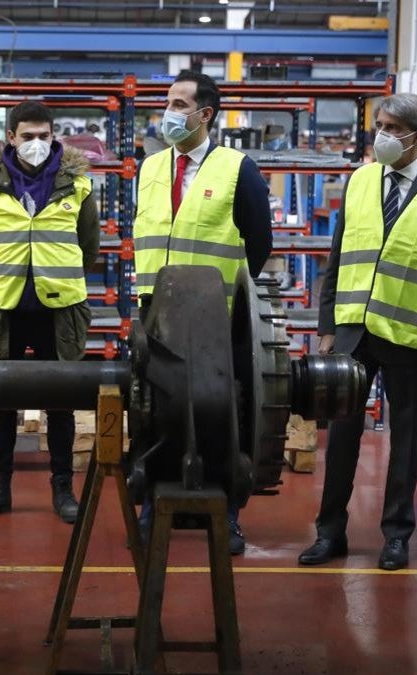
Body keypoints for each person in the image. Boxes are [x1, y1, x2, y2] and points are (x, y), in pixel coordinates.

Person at [301, 93, 417, 571]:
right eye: (379, 124)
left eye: (392, 127)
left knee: (406, 442)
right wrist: (327, 327)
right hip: (354, 333)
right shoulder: (359, 182)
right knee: (341, 438)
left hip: (411, 339)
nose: (381, 135)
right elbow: (338, 260)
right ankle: (328, 532)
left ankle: (397, 536)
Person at [132, 70, 273, 555]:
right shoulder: (149, 168)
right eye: (167, 102)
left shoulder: (238, 169)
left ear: (204, 114)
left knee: (222, 416)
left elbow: (259, 244)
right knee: (154, 415)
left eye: (177, 103)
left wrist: (224, 303)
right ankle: (153, 506)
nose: (167, 112)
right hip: (157, 316)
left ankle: (226, 515)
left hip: (216, 321)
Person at [0, 101, 100, 523]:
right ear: (10, 137)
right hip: (4, 309)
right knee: (1, 403)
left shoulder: (77, 185)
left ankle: (63, 490)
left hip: (58, 310)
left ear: (54, 135)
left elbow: (88, 249)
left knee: (61, 403)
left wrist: (53, 277)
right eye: (28, 136)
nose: (36, 144)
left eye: (44, 136)